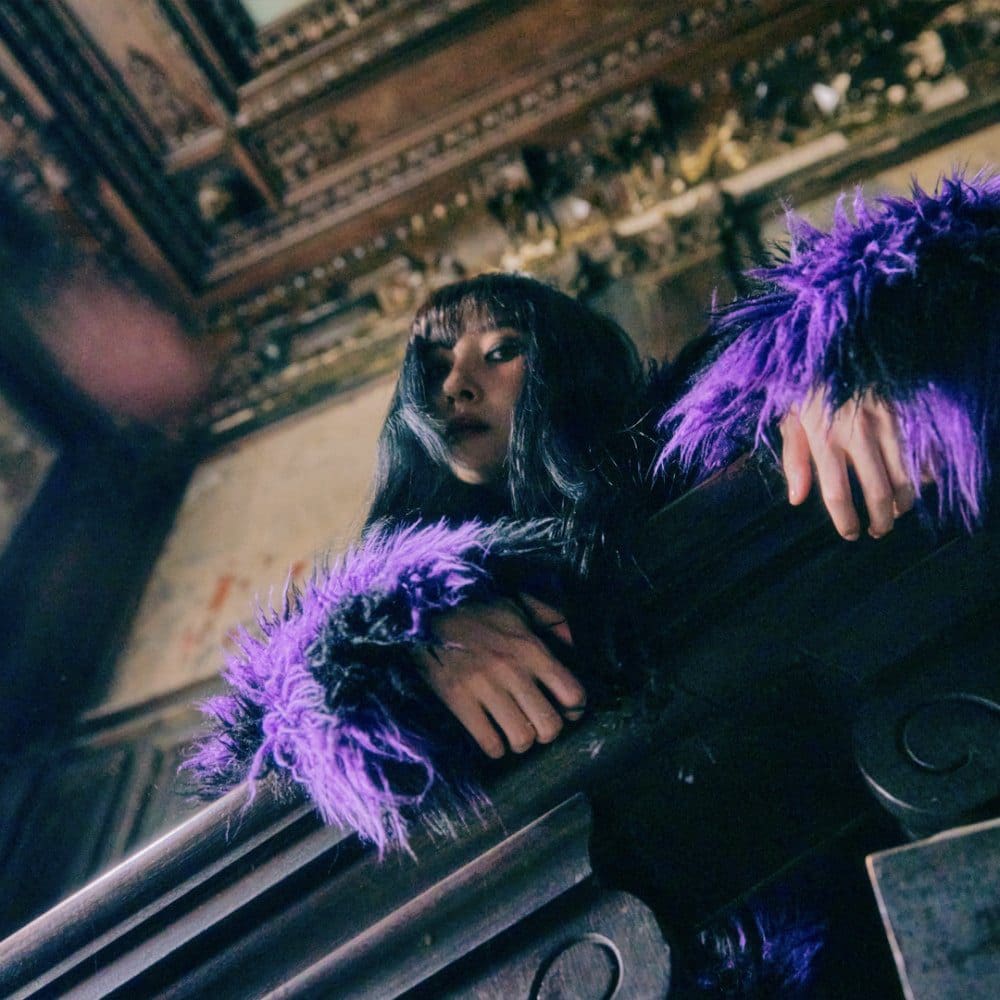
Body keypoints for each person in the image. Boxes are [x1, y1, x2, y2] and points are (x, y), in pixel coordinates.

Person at [186, 172, 998, 855]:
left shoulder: (692, 435)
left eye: (500, 351)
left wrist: (852, 352)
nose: (456, 387)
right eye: (432, 370)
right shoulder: (373, 612)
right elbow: (260, 752)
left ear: (565, 366)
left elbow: (951, 250)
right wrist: (398, 636)